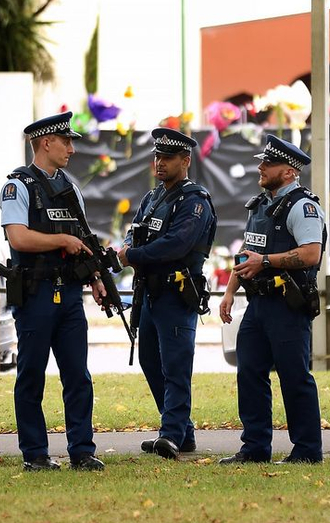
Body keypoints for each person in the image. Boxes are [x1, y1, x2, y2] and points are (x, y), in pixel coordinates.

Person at [0, 111, 107, 472]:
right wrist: (61, 239)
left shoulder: (70, 187)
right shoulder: (17, 186)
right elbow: (18, 237)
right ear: (46, 143)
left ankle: (82, 451)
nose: (72, 149)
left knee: (78, 376)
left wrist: (95, 277)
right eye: (66, 141)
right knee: (31, 375)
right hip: (36, 295)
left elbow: (83, 237)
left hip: (70, 296)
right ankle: (36, 454)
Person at [218, 134, 327, 465]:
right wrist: (230, 289)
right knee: (249, 373)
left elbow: (310, 254)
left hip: (287, 306)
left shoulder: (303, 207)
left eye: (269, 164)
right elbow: (248, 253)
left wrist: (266, 262)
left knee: (294, 377)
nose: (261, 168)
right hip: (258, 306)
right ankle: (254, 448)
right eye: (262, 162)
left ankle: (308, 450)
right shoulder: (261, 205)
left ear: (290, 171)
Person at [117, 128, 217, 460]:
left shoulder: (195, 201)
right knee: (150, 360)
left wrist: (132, 256)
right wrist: (128, 250)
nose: (159, 163)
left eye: (168, 158)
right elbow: (136, 234)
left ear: (185, 161)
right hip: (150, 294)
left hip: (177, 293)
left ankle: (171, 433)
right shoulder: (153, 197)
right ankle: (180, 431)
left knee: (175, 365)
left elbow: (177, 244)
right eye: (157, 157)